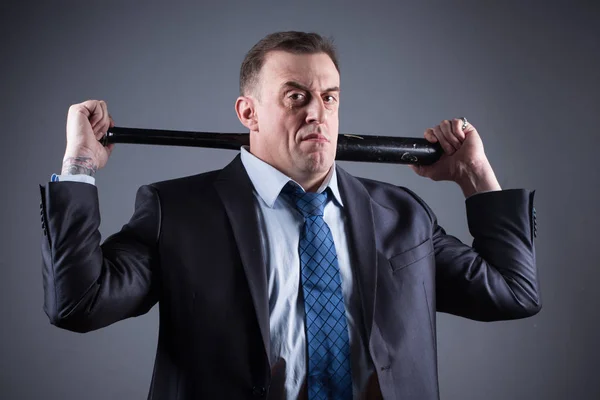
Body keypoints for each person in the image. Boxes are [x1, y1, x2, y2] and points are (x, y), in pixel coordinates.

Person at [39, 31, 541, 400]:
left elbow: (512, 293)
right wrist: (79, 166)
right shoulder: (179, 212)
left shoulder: (400, 214)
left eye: (329, 97)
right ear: (248, 113)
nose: (316, 113)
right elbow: (79, 304)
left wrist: (475, 174)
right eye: (295, 97)